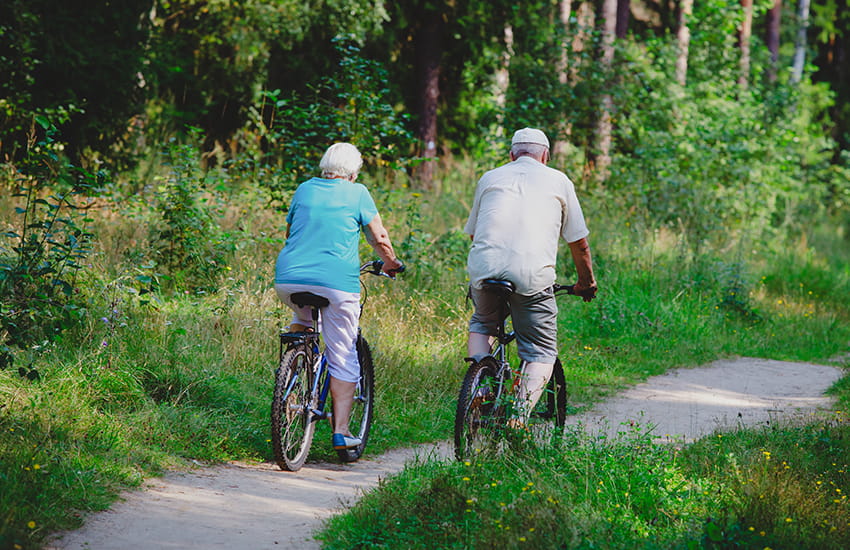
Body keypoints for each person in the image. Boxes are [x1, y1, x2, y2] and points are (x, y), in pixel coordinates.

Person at [274, 142, 404, 451]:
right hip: (336, 284)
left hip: (289, 278)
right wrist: (391, 263)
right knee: (343, 349)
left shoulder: (304, 189)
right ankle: (342, 431)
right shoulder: (357, 193)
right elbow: (379, 237)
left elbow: (291, 231)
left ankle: (292, 386)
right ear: (354, 171)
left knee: (303, 320)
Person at [464, 127, 597, 425]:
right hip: (532, 277)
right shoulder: (559, 181)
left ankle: (479, 385)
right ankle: (518, 417)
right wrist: (586, 282)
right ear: (546, 156)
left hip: (484, 270)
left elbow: (474, 232)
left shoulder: (490, 177)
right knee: (540, 351)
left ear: (511, 155)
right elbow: (580, 244)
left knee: (482, 323)